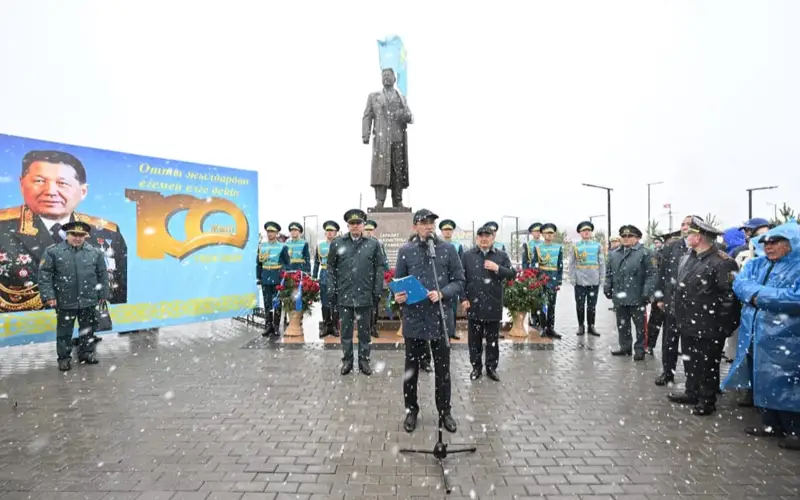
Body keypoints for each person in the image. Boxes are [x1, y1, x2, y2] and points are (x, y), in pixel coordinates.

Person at [0, 150, 127, 313]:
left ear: (83, 191)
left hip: (86, 327)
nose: (51, 191)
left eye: (62, 183)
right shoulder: (4, 226)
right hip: (22, 331)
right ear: (21, 183)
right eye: (39, 180)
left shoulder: (106, 232)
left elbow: (118, 292)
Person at [724, 222, 800, 449]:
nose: (768, 246)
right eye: (766, 242)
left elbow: (795, 299)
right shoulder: (757, 264)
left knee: (787, 382)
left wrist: (758, 296)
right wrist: (757, 294)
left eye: (775, 242)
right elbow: (740, 284)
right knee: (762, 378)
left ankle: (794, 430)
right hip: (756, 334)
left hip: (788, 337)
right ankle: (771, 424)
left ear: (791, 243)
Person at [394, 209, 465, 434]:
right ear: (415, 227)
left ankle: (445, 411)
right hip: (414, 319)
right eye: (423, 223)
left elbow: (459, 280)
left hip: (439, 319)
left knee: (443, 371)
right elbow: (399, 283)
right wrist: (398, 297)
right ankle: (411, 410)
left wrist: (442, 292)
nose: (428, 226)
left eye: (431, 223)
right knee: (411, 370)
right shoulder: (406, 251)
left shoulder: (447, 249)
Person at [666, 218, 740, 416]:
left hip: (710, 324)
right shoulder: (689, 256)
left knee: (708, 364)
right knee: (690, 360)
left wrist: (724, 326)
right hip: (687, 321)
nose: (686, 237)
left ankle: (707, 400)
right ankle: (692, 392)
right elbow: (680, 288)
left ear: (697, 237)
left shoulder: (723, 262)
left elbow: (730, 297)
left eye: (689, 233)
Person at [38, 221, 109, 371]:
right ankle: (64, 358)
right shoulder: (53, 252)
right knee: (64, 332)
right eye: (74, 235)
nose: (77, 238)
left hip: (88, 299)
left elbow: (102, 275)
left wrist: (103, 293)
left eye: (81, 235)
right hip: (65, 300)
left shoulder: (95, 252)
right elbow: (45, 276)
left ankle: (87, 353)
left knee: (88, 330)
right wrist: (49, 296)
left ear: (86, 236)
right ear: (67, 235)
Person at [327, 209, 384, 376]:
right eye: (352, 224)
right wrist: (332, 288)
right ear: (348, 225)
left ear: (363, 225)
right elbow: (330, 267)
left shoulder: (373, 244)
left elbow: (379, 267)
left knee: (364, 331)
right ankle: (347, 361)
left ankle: (364, 361)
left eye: (358, 223)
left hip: (365, 294)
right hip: (344, 294)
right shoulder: (338, 243)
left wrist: (377, 289)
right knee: (345, 331)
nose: (355, 226)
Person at [461, 225, 515, 381]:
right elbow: (460, 279)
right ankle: (476, 367)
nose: (484, 239)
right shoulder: (468, 255)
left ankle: (491, 368)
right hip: (474, 304)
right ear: (477, 238)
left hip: (493, 302)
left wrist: (498, 268)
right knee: (474, 339)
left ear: (493, 238)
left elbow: (512, 274)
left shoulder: (501, 255)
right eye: (481, 236)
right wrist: (463, 299)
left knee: (492, 339)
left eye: (487, 236)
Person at [654, 215, 699, 385]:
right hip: (672, 303)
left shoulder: (705, 249)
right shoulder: (672, 247)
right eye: (683, 224)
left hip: (693, 306)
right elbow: (663, 274)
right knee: (669, 340)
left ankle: (692, 378)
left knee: (690, 344)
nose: (685, 227)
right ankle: (668, 372)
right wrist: (659, 297)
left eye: (690, 225)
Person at [605, 225, 657, 361]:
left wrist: (647, 292)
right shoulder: (614, 254)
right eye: (624, 236)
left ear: (637, 238)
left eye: (630, 236)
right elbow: (609, 273)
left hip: (637, 295)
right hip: (620, 295)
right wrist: (607, 285)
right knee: (622, 324)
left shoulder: (646, 253)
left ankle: (640, 349)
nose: (626, 239)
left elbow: (652, 274)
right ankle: (625, 347)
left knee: (640, 326)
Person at [362, 67, 412, 209]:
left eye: (389, 75)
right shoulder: (374, 96)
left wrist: (402, 114)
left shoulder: (401, 98)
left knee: (398, 170)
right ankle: (380, 201)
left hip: (398, 140)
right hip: (381, 141)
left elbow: (410, 117)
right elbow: (367, 115)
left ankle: (398, 200)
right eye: (384, 75)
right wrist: (365, 134)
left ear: (394, 79)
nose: (386, 77)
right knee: (380, 170)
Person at [569, 221, 605, 336]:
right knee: (580, 304)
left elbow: (602, 263)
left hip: (593, 280)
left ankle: (591, 326)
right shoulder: (575, 246)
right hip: (580, 280)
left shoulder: (597, 246)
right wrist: (572, 278)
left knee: (592, 305)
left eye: (588, 231)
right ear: (580, 233)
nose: (586, 232)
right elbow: (571, 263)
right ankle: (581, 325)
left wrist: (602, 278)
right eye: (584, 231)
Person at [257, 222, 291, 336]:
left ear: (277, 233)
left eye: (272, 232)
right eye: (268, 232)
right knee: (267, 303)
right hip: (265, 277)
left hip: (277, 277)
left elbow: (287, 263)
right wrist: (259, 276)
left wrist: (283, 275)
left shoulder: (282, 246)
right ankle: (268, 326)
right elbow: (259, 263)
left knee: (276, 302)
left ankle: (276, 326)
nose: (269, 234)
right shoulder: (262, 246)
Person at [533, 223, 563, 339]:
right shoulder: (538, 248)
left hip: (553, 280)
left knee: (552, 305)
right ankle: (543, 327)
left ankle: (551, 328)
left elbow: (559, 265)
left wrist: (558, 280)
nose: (549, 235)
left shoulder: (558, 247)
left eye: (551, 233)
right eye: (546, 233)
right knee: (542, 304)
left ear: (554, 234)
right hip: (542, 279)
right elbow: (535, 265)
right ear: (542, 234)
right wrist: (539, 277)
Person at [313, 220, 340, 338]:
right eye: (328, 231)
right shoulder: (320, 246)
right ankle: (326, 325)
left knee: (335, 302)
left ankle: (334, 327)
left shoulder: (340, 244)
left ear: (336, 232)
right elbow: (316, 263)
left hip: (336, 275)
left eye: (332, 231)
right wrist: (314, 277)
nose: (329, 233)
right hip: (324, 275)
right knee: (324, 302)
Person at [364, 219, 389, 338]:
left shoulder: (379, 243)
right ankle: (365, 327)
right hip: (364, 278)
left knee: (375, 303)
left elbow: (384, 260)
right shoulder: (360, 243)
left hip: (376, 277)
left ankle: (373, 327)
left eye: (371, 230)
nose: (369, 232)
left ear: (374, 231)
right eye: (367, 230)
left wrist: (389, 273)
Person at [439, 219, 463, 340]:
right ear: (441, 231)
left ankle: (451, 330)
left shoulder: (458, 245)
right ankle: (441, 331)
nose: (447, 232)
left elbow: (461, 264)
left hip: (452, 280)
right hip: (440, 279)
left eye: (449, 230)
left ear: (452, 231)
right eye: (445, 230)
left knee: (452, 306)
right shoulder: (436, 244)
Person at [522, 222, 543, 327]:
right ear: (531, 233)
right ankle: (533, 317)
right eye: (535, 231)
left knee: (542, 296)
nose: (537, 233)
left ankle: (542, 317)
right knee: (533, 296)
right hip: (532, 274)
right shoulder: (527, 245)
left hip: (543, 274)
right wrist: (526, 275)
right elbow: (525, 261)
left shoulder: (544, 244)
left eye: (539, 231)